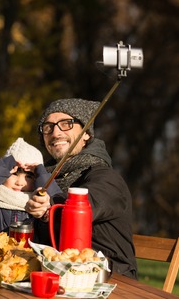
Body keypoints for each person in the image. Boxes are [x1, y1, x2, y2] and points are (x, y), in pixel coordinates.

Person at [26, 98, 138, 279]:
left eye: (66, 124)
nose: (55, 132)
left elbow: (85, 205)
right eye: (48, 127)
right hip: (62, 276)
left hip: (111, 278)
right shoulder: (47, 177)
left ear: (86, 134)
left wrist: (49, 206)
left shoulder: (106, 177)